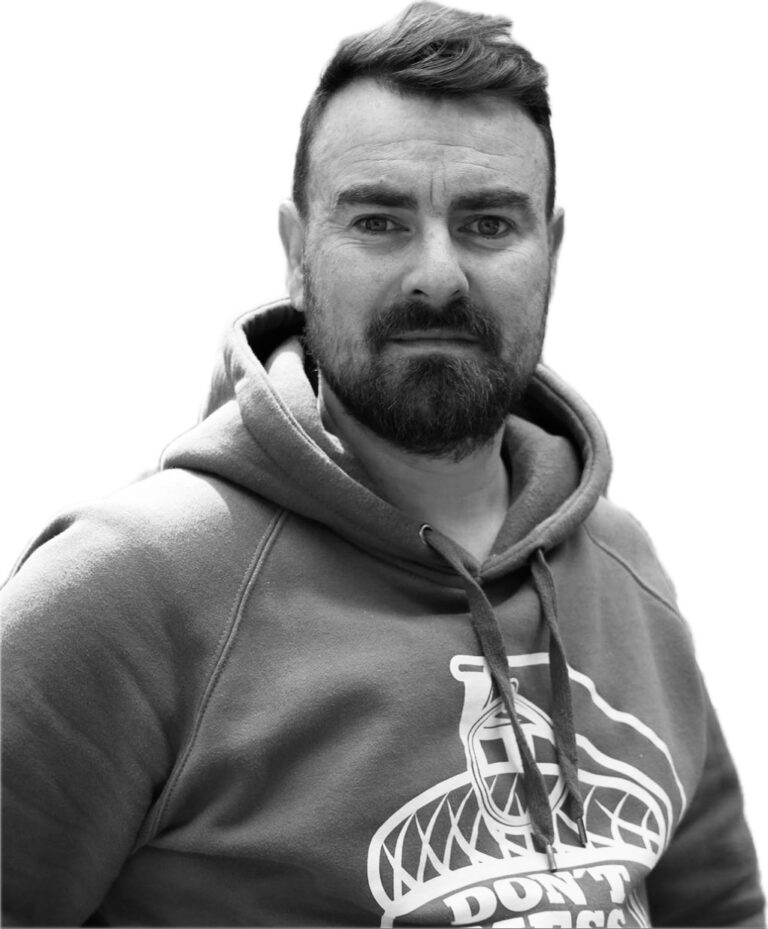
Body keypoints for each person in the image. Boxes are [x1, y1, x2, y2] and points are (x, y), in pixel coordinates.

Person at [1, 2, 763, 925]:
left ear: (553, 251)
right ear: (296, 252)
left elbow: (719, 905)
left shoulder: (623, 565)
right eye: (379, 221)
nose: (437, 275)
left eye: (488, 224)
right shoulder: (127, 588)